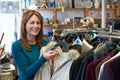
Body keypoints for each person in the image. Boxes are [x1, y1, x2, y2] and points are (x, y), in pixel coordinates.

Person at [11, 10, 56, 80]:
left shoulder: (45, 43)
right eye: (32, 23)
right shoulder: (17, 46)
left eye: (38, 23)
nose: (36, 26)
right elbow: (24, 74)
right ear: (24, 25)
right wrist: (43, 58)